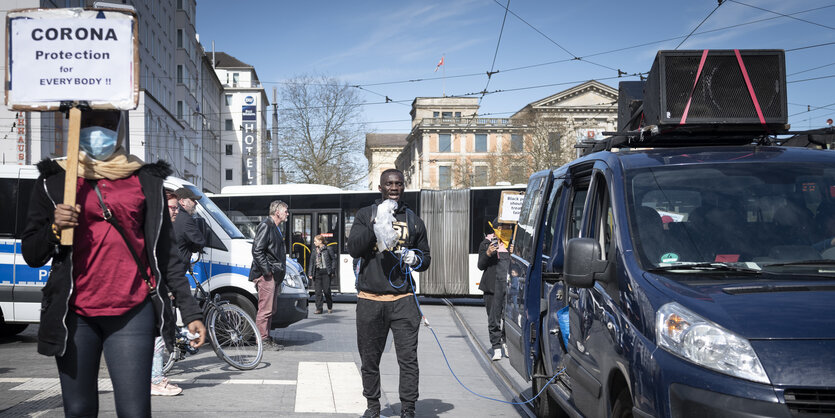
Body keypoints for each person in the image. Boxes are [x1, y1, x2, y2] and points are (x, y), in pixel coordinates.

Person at [21, 109, 205, 416]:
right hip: (75, 314)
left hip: (133, 311)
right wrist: (54, 229)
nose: (100, 131)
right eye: (91, 123)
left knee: (135, 412)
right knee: (79, 410)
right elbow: (32, 253)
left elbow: (167, 254)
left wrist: (190, 311)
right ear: (76, 126)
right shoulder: (55, 181)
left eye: (109, 124)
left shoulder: (145, 180)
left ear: (120, 129)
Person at [348, 169, 431, 418]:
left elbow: (425, 259)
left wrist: (415, 257)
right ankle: (373, 407)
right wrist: (375, 223)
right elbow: (353, 248)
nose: (394, 188)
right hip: (370, 300)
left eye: (398, 184)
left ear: (403, 187)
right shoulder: (366, 215)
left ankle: (408, 408)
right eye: (389, 184)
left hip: (404, 301)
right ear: (380, 188)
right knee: (370, 360)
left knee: (408, 359)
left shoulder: (413, 219)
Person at [149, 191, 185, 397]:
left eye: (177, 207)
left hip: (161, 292)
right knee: (158, 338)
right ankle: (154, 379)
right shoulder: (155, 230)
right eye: (172, 207)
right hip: (155, 293)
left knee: (158, 337)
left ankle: (153, 377)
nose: (176, 211)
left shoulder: (165, 229)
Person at [250, 200, 289, 350]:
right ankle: (262, 340)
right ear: (277, 212)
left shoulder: (274, 227)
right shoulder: (266, 225)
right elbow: (257, 250)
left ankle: (266, 338)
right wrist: (267, 272)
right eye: (285, 211)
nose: (287, 214)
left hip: (273, 275)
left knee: (270, 309)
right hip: (266, 276)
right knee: (265, 310)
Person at [477, 218, 511, 361]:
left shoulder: (513, 244)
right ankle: (496, 347)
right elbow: (480, 265)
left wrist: (516, 253)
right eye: (503, 227)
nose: (506, 230)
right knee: (493, 318)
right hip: (492, 287)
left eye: (509, 227)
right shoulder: (486, 243)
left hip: (509, 287)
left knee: (508, 318)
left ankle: (505, 342)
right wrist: (488, 253)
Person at [172, 187, 207, 268]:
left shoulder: (170, 214)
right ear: (182, 201)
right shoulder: (185, 218)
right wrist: (191, 247)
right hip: (177, 267)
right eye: (192, 200)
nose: (195, 203)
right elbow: (199, 242)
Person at [307, 234, 337, 314]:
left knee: (326, 290)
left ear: (320, 241)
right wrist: (310, 273)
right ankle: (319, 308)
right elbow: (311, 263)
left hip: (326, 272)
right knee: (318, 292)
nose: (314, 243)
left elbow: (333, 260)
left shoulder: (328, 249)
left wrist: (332, 271)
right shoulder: (314, 251)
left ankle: (329, 306)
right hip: (317, 272)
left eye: (315, 241)